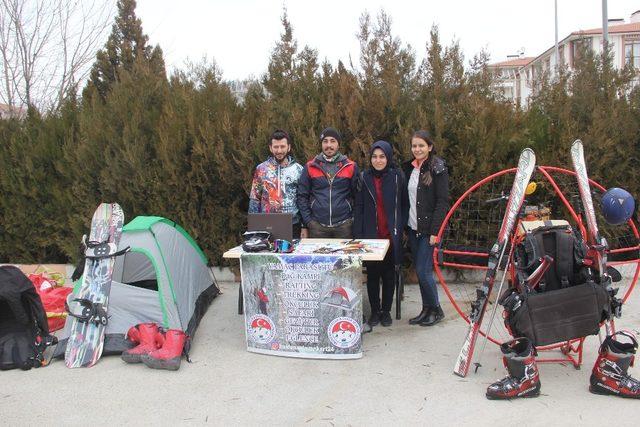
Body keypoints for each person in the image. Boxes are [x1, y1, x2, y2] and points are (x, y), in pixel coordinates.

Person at [354, 140, 407, 327]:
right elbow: (359, 207)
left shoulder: (396, 176)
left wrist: (400, 227)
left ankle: (386, 311)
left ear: (388, 157)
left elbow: (404, 204)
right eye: (374, 157)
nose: (378, 160)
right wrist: (358, 234)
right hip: (370, 236)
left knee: (389, 275)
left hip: (390, 235)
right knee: (374, 275)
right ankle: (375, 311)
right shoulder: (364, 177)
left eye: (382, 156)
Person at [402, 130, 449, 326]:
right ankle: (426, 309)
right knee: (420, 271)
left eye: (421, 145)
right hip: (413, 228)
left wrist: (435, 232)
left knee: (423, 271)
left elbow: (442, 201)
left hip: (428, 230)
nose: (417, 149)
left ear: (429, 147)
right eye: (414, 146)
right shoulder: (410, 168)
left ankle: (436, 310)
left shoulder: (438, 168)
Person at [297, 127, 359, 239]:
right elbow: (302, 196)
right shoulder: (310, 166)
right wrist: (308, 221)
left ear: (338, 144)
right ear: (321, 144)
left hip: (344, 226)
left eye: (332, 141)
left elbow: (358, 196)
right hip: (317, 227)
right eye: (325, 141)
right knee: (318, 257)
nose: (329, 145)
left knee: (343, 257)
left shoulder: (350, 166)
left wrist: (353, 219)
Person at [248, 129, 304, 238]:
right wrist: (253, 228)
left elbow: (303, 199)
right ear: (270, 148)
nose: (279, 151)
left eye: (282, 147)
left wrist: (304, 226)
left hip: (293, 224)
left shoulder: (298, 169)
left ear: (289, 147)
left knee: (292, 254)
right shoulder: (261, 169)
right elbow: (255, 198)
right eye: (276, 147)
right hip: (267, 225)